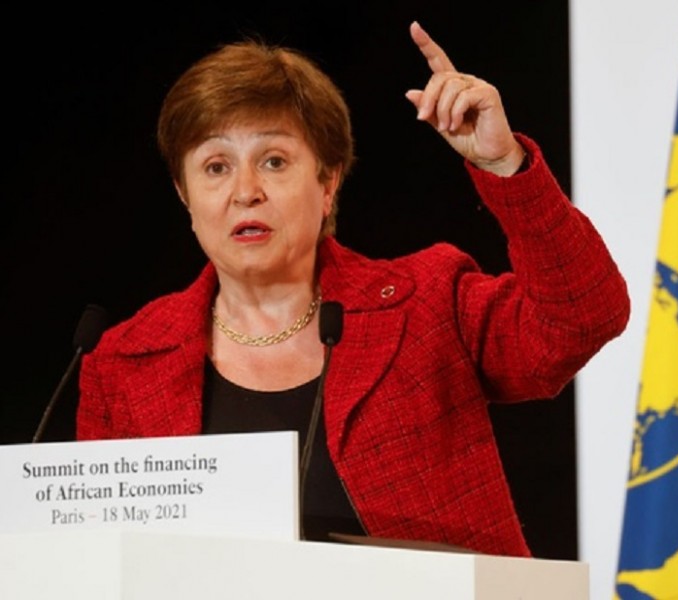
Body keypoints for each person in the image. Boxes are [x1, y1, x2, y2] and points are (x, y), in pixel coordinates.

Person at [75, 21, 630, 557]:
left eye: (273, 161)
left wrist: (503, 164)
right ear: (184, 194)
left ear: (328, 181)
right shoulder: (124, 364)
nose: (246, 191)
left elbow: (583, 317)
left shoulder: (427, 304)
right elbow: (100, 561)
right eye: (216, 167)